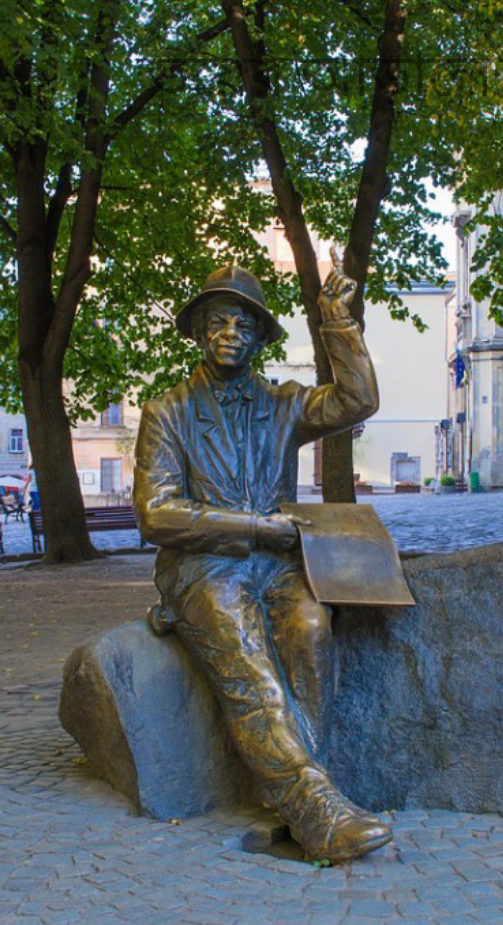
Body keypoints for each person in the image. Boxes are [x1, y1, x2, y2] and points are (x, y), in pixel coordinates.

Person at [133, 252, 392, 862]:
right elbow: (156, 514)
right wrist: (254, 527)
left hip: (276, 565)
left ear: (258, 339)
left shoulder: (283, 404)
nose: (230, 333)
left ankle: (308, 785)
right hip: (204, 566)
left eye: (243, 325)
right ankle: (315, 810)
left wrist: (337, 321)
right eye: (219, 322)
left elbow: (357, 400)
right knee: (253, 665)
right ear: (199, 333)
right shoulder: (168, 413)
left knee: (311, 630)